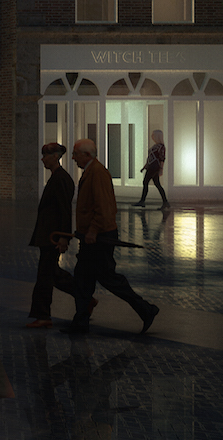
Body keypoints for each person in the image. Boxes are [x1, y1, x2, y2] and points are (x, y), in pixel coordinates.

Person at [65, 137, 160, 335]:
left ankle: (146, 309)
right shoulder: (91, 172)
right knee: (85, 278)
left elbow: (104, 206)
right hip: (93, 236)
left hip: (98, 237)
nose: (73, 158)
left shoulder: (97, 173)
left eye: (76, 154)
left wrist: (92, 230)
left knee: (107, 278)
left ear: (87, 155)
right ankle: (80, 322)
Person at [24, 141, 77, 329]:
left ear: (54, 157)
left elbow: (64, 210)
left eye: (45, 156)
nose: (42, 159)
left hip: (53, 236)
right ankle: (84, 297)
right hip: (49, 234)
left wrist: (64, 236)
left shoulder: (60, 179)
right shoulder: (58, 178)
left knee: (45, 276)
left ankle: (43, 315)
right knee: (51, 272)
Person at [138, 129, 168, 207]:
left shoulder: (161, 147)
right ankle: (165, 202)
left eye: (153, 135)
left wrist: (161, 169)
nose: (152, 137)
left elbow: (162, 158)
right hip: (151, 166)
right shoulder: (155, 146)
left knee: (145, 182)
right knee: (157, 184)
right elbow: (150, 158)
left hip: (154, 167)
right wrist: (144, 167)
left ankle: (142, 201)